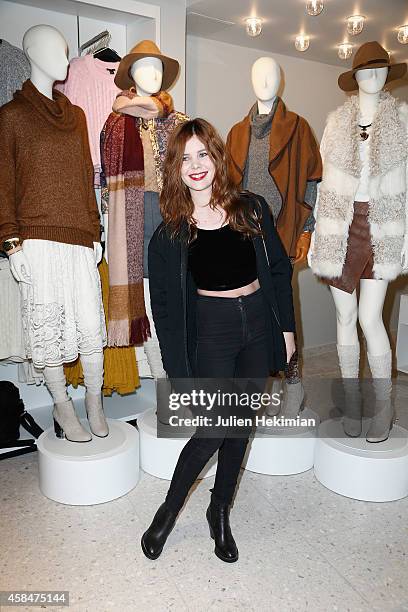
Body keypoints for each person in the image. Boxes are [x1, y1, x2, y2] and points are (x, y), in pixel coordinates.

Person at [142, 118, 296, 563]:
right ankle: (169, 511)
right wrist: (177, 372)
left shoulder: (251, 208)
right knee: (214, 428)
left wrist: (286, 332)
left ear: (216, 157)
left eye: (202, 154)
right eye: (185, 158)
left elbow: (281, 273)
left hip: (258, 325)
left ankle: (219, 511)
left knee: (241, 426)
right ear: (176, 168)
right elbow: (166, 312)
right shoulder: (169, 234)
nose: (195, 165)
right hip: (212, 329)